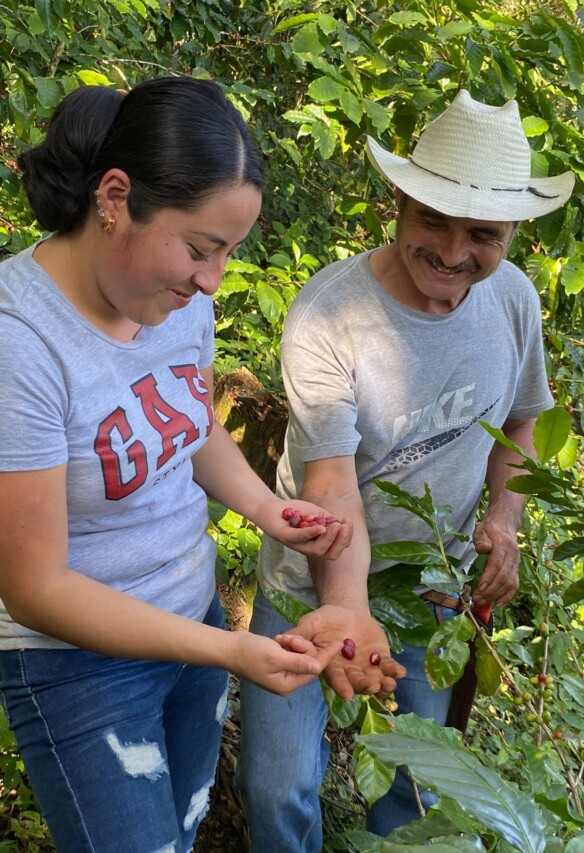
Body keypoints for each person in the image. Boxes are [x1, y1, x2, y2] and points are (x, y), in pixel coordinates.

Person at [0, 76, 353, 853]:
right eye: (201, 248)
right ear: (115, 196)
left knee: (181, 834)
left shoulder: (175, 297)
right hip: (77, 667)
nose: (211, 280)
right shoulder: (20, 342)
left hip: (186, 619)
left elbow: (187, 421)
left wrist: (271, 512)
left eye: (228, 253)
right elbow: (35, 587)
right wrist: (231, 648)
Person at [236, 89, 575, 850]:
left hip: (435, 594)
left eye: (483, 234)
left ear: (515, 230)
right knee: (278, 782)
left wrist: (505, 518)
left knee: (417, 790)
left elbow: (521, 419)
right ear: (399, 199)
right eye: (433, 221)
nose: (454, 253)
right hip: (307, 591)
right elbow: (331, 484)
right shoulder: (329, 315)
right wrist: (349, 613)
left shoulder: (513, 302)